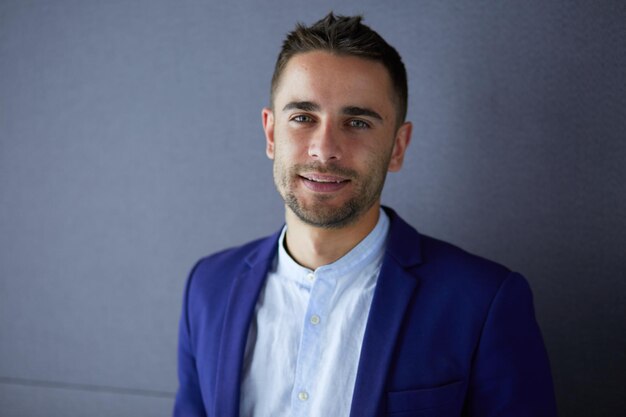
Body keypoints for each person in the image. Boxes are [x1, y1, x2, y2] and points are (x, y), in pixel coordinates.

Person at [174, 12, 557, 417]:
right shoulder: (208, 287)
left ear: (397, 147)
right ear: (271, 134)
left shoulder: (483, 302)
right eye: (303, 118)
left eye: (357, 122)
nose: (324, 149)